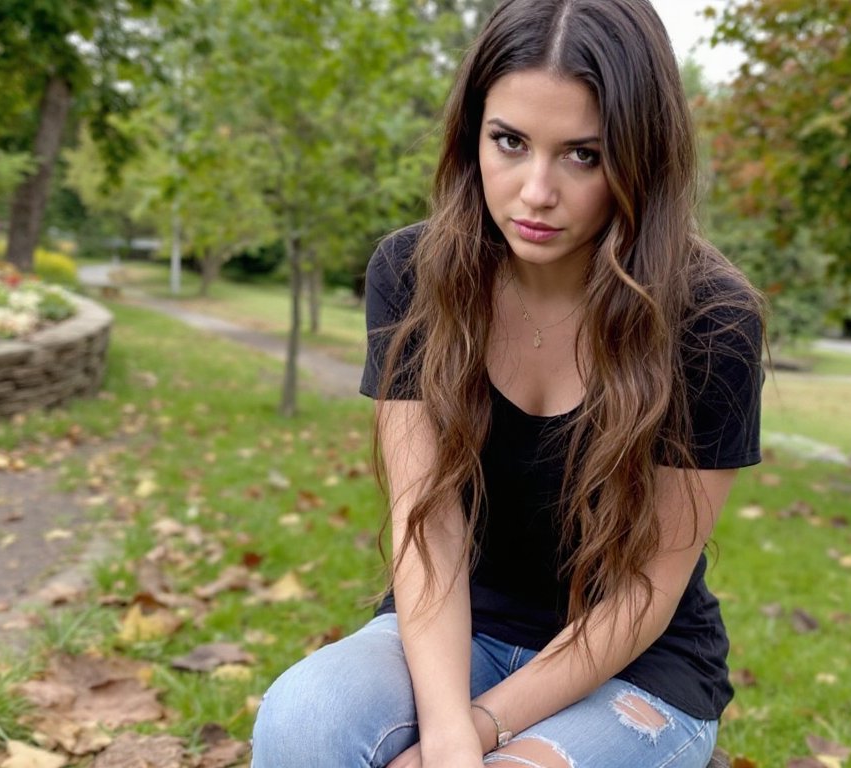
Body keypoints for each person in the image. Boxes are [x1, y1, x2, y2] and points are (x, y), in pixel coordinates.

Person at [251, 1, 764, 766]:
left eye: (584, 155)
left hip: (635, 667)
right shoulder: (415, 275)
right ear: (473, 134)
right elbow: (428, 527)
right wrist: (447, 729)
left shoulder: (711, 321)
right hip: (455, 634)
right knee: (303, 718)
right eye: (510, 142)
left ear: (643, 157)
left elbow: (645, 594)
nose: (535, 192)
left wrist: (485, 729)